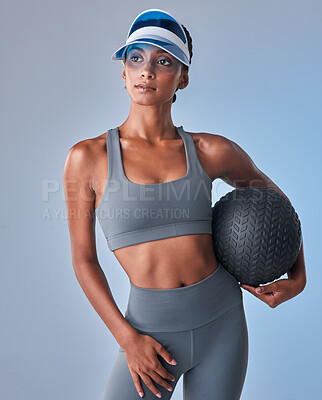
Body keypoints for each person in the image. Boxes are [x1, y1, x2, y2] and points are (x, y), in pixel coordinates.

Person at [63, 8, 307, 400]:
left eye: (164, 61)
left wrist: (299, 276)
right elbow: (83, 261)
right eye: (136, 58)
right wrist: (128, 340)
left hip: (222, 323)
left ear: (183, 77)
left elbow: (277, 206)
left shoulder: (211, 150)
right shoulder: (87, 159)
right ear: (123, 72)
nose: (147, 71)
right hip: (149, 334)